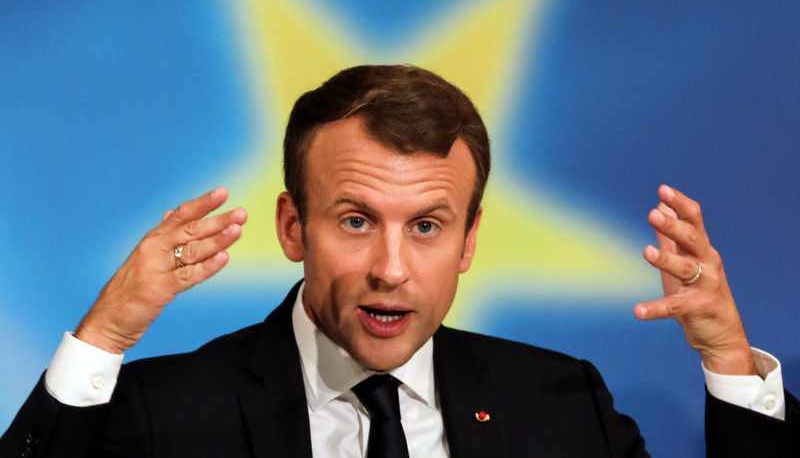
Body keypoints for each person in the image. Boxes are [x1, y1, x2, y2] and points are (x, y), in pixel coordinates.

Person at [1, 65, 797, 457]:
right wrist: (103, 335)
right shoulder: (164, 412)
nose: (390, 267)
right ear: (292, 226)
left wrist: (727, 360)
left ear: (470, 241)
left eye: (426, 225)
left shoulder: (559, 403)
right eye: (355, 220)